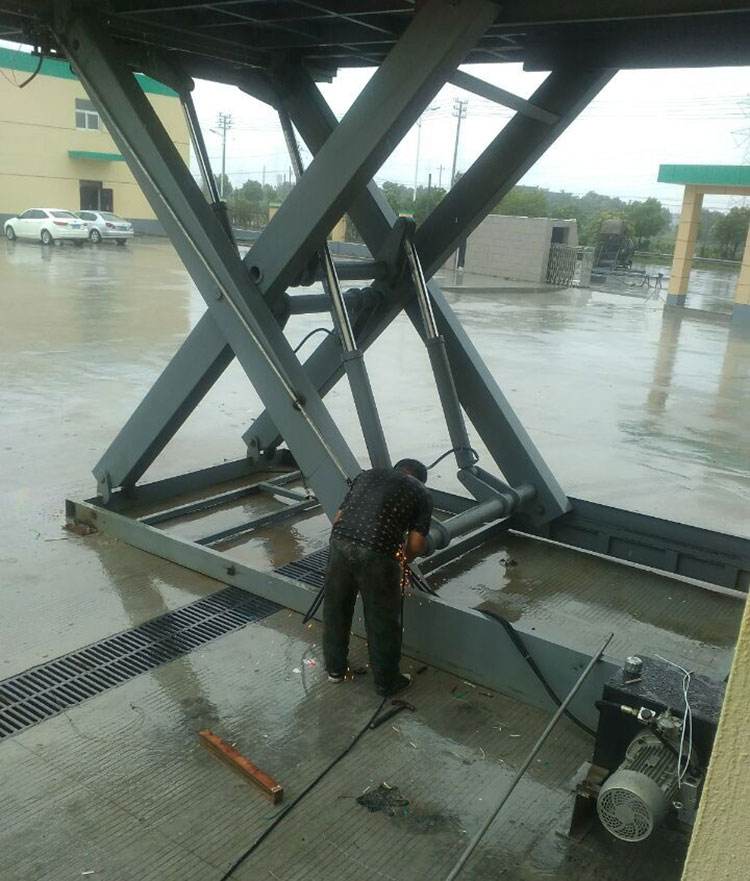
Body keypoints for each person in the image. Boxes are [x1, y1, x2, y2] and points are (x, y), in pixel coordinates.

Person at [323, 458, 432, 696]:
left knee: (336, 609)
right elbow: (416, 543)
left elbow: (338, 517)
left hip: (340, 543)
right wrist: (405, 559)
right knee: (382, 619)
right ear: (420, 479)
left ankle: (335, 670)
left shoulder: (367, 476)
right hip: (378, 552)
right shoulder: (421, 493)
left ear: (397, 470)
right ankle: (387, 682)